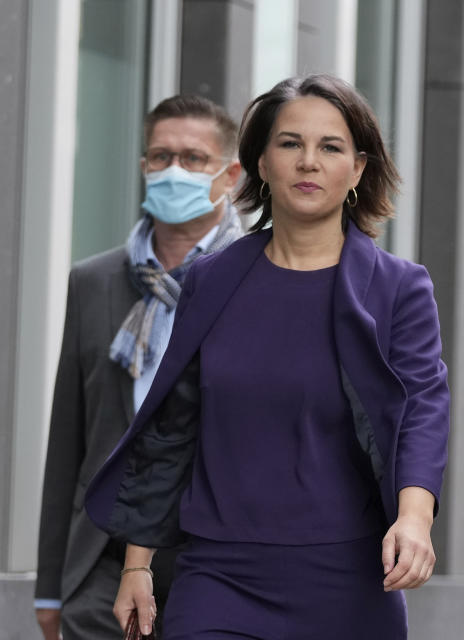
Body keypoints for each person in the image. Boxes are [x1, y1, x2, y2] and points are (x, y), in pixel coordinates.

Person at [83, 74, 450, 639]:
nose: (308, 161)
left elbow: (424, 410)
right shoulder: (212, 279)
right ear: (259, 162)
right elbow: (173, 424)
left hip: (349, 581)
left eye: (330, 147)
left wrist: (415, 519)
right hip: (218, 578)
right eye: (289, 143)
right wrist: (138, 564)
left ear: (357, 169)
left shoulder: (398, 287)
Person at [34, 95, 244, 640]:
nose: (175, 170)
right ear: (144, 166)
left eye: (194, 159)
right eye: (160, 156)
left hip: (212, 556)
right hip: (101, 560)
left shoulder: (255, 280)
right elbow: (68, 439)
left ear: (231, 174)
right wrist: (52, 586)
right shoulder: (94, 280)